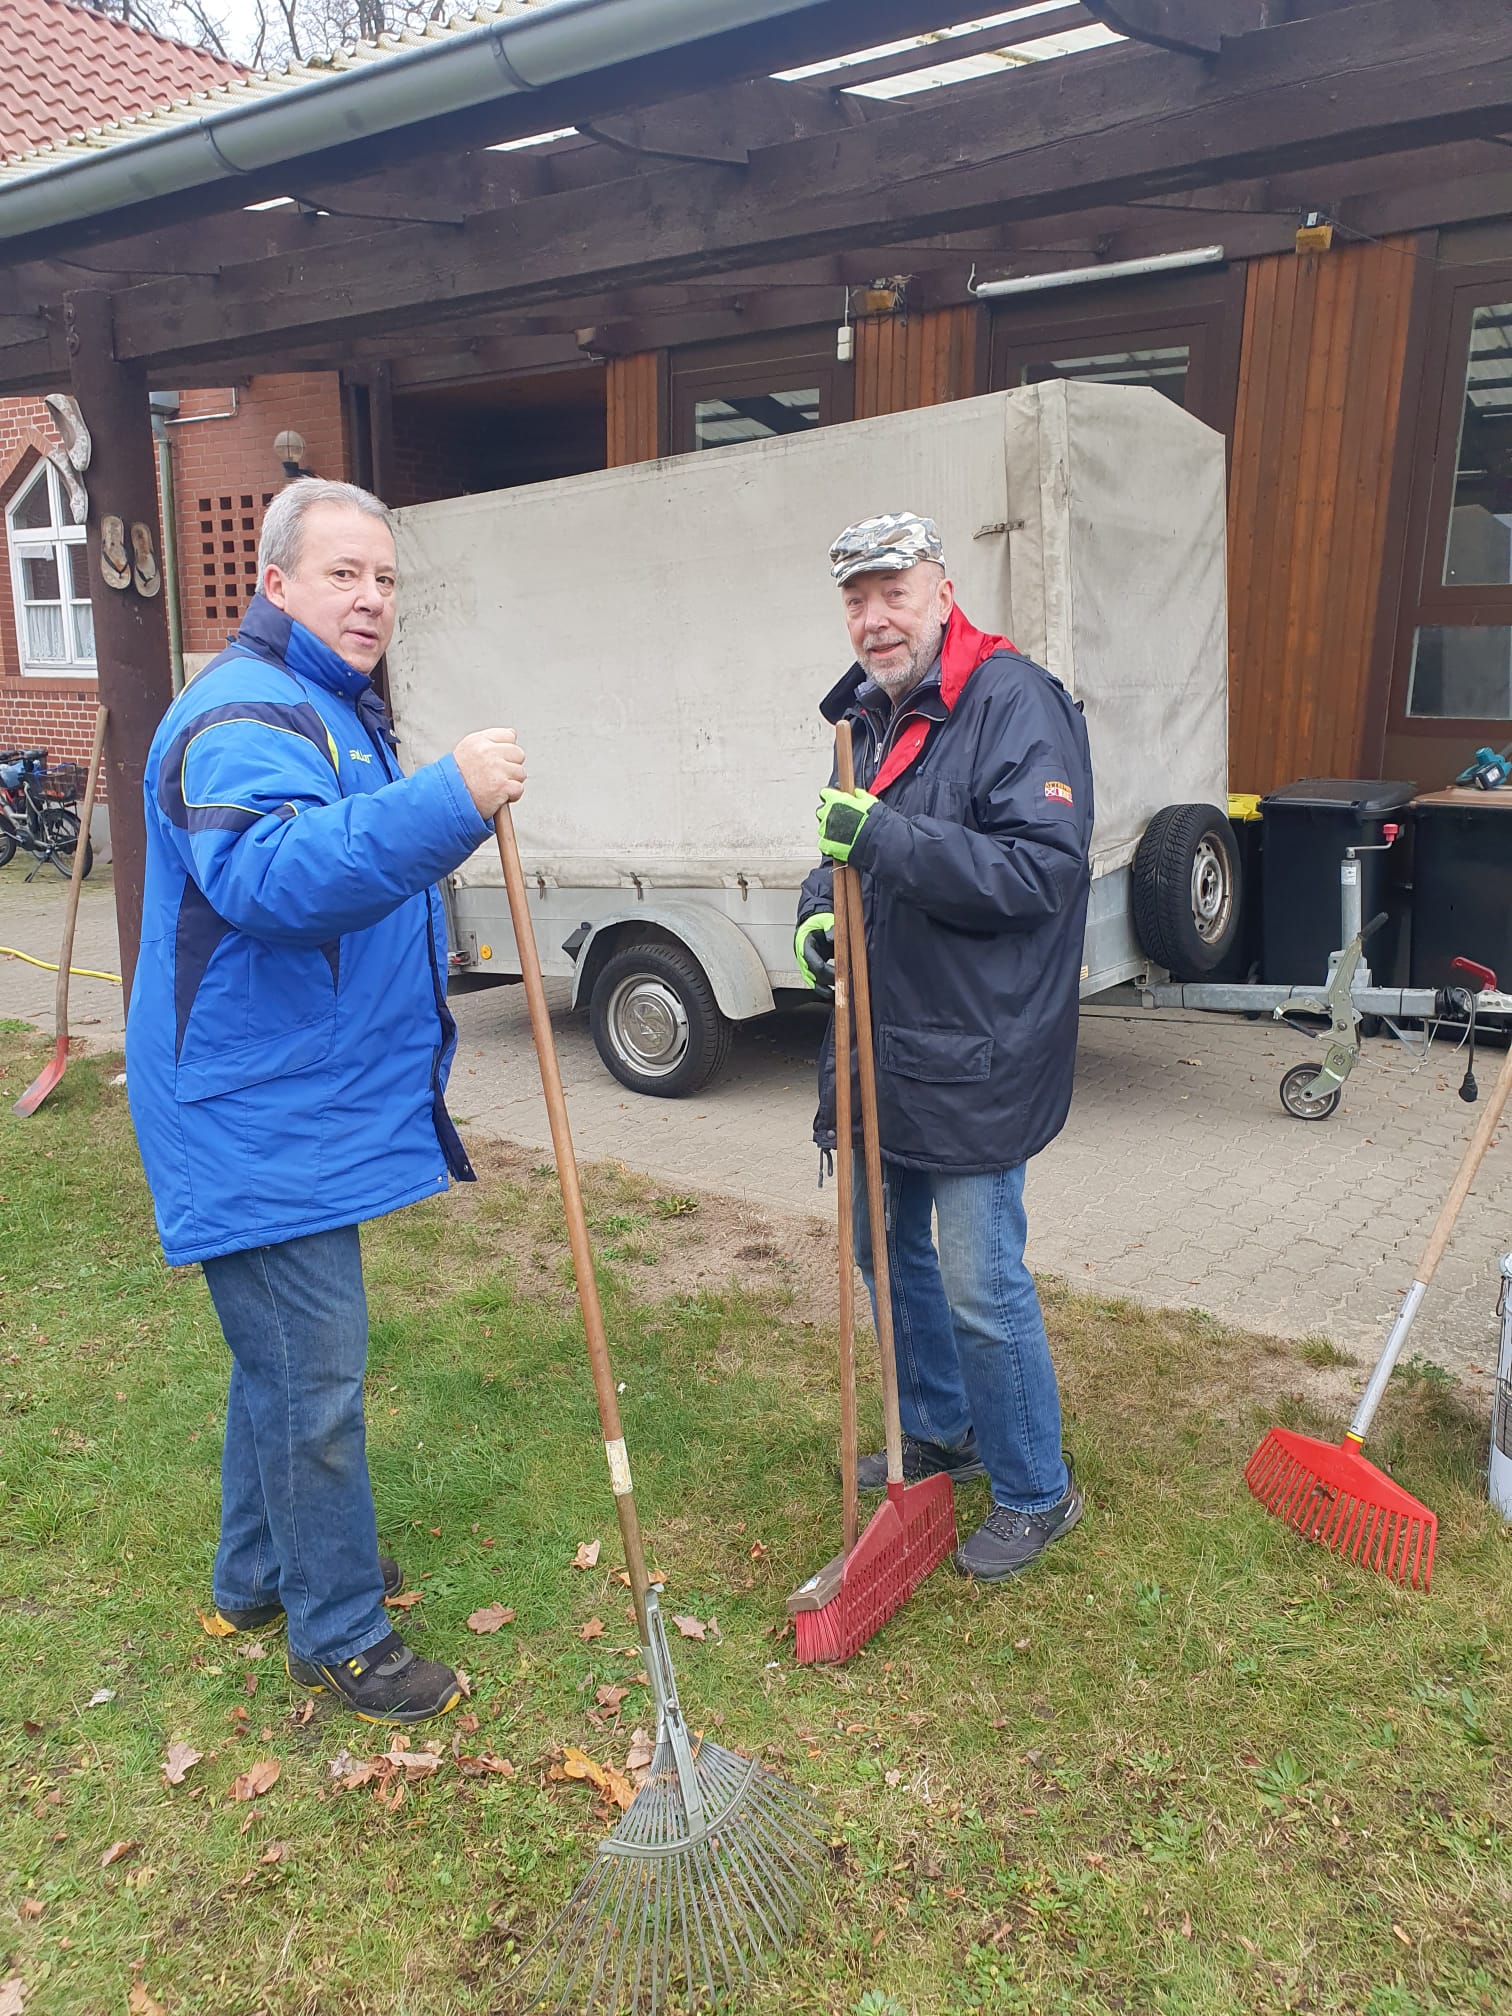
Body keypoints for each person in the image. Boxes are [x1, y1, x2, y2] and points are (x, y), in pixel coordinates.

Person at [125, 477, 525, 1723]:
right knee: (315, 1379)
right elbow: (274, 877)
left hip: (289, 1099)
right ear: (276, 583)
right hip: (248, 1111)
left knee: (281, 1364)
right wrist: (448, 798)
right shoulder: (241, 715)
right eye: (344, 575)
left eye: (387, 579)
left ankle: (259, 1573)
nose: (370, 600)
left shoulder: (330, 706)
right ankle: (340, 1630)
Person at [794, 512, 1093, 1581]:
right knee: (886, 1249)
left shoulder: (1013, 703)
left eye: (893, 593)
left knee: (976, 1277)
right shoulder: (869, 716)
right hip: (886, 1041)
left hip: (977, 1047)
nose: (874, 620)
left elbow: (1041, 873)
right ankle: (942, 1426)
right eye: (856, 599)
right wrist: (815, 911)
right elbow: (844, 840)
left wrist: (880, 843)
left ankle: (1034, 1490)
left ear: (941, 589)